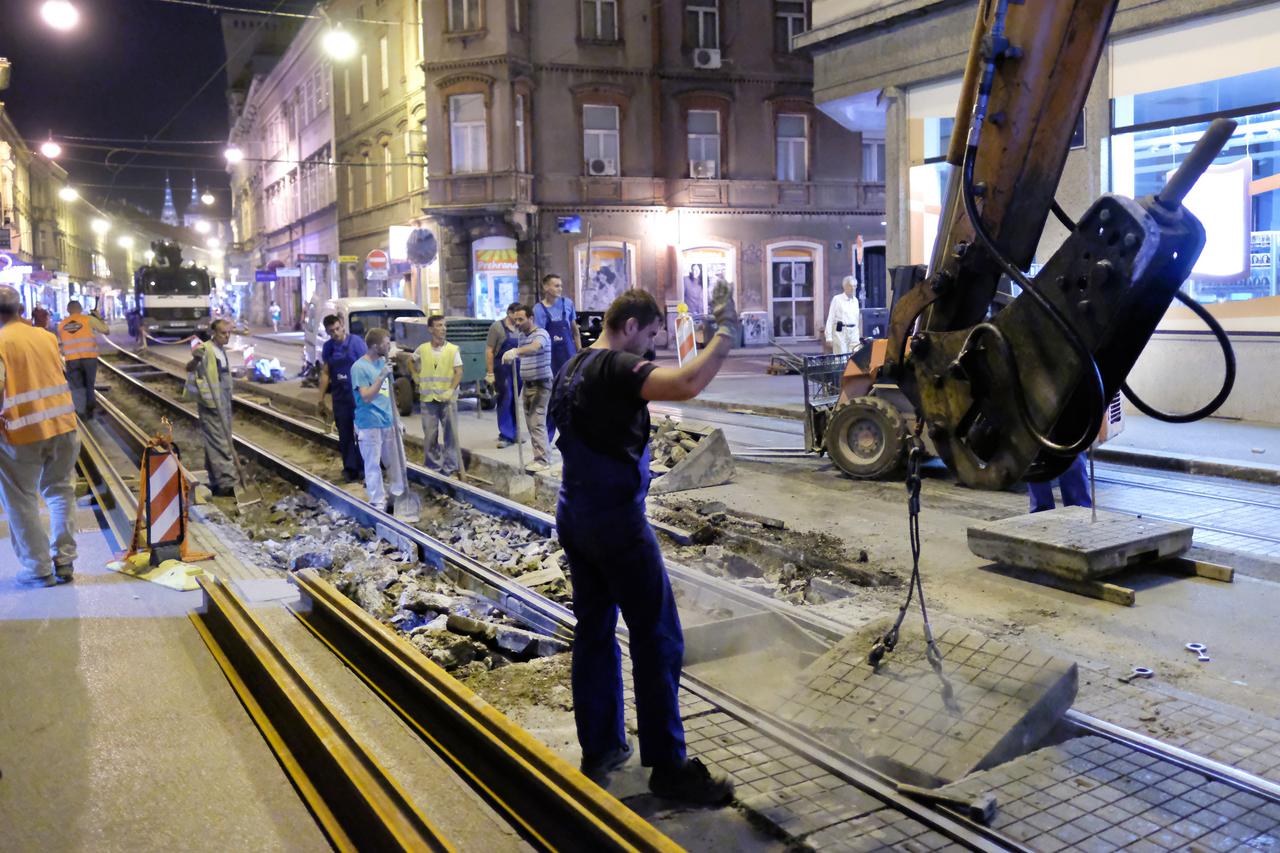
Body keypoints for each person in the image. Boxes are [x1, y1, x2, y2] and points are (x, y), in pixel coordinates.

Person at [550, 284, 739, 804]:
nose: (651, 348)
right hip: (616, 524)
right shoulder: (614, 366)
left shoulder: (572, 366)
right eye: (651, 334)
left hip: (574, 514)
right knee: (657, 637)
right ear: (630, 325)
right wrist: (725, 334)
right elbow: (687, 383)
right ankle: (669, 769)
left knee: (594, 631)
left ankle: (603, 746)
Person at [0, 286, 81, 587]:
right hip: (63, 425)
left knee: (21, 499)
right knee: (60, 491)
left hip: (21, 434)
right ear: (20, 309)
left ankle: (38, 568)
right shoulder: (46, 336)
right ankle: (64, 560)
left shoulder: (1, 342)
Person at [351, 327, 403, 511]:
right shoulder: (359, 368)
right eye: (386, 344)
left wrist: (397, 418)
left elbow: (389, 394)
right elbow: (366, 396)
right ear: (374, 346)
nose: (389, 347)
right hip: (369, 424)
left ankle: (398, 497)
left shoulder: (383, 362)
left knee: (395, 463)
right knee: (373, 465)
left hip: (388, 421)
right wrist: (381, 377)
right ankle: (377, 502)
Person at [186, 318, 238, 498]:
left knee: (218, 439)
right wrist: (195, 359)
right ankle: (227, 484)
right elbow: (190, 367)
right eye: (223, 333)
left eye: (229, 333)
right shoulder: (206, 349)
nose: (227, 336)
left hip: (223, 400)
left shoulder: (221, 350)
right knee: (220, 442)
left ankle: (215, 479)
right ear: (213, 333)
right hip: (211, 402)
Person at [501, 304, 552, 473]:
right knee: (530, 423)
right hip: (528, 384)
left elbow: (536, 347)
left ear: (531, 318)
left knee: (537, 422)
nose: (517, 323)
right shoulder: (522, 335)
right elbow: (524, 353)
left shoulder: (541, 334)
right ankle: (539, 456)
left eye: (521, 319)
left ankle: (543, 460)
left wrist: (516, 351)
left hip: (541, 384)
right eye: (515, 320)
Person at [318, 313, 368, 482]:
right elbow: (325, 372)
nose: (336, 333)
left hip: (359, 397)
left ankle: (365, 468)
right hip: (340, 399)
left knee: (362, 434)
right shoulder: (328, 348)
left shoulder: (357, 343)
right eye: (331, 331)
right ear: (327, 332)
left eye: (337, 329)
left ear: (343, 326)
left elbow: (368, 366)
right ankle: (350, 469)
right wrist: (321, 398)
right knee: (345, 435)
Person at [533, 274, 581, 443]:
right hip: (549, 359)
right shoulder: (538, 310)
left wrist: (580, 352)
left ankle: (572, 437)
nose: (560, 289)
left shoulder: (567, 304)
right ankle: (547, 438)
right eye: (556, 286)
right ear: (546, 288)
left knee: (571, 397)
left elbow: (574, 330)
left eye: (561, 285)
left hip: (569, 357)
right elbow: (538, 336)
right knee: (551, 399)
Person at [413, 314, 463, 478]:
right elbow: (410, 361)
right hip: (428, 399)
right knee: (430, 435)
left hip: (447, 399)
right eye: (439, 326)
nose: (443, 329)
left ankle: (450, 467)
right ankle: (433, 468)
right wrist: (414, 375)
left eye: (444, 325)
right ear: (430, 329)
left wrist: (451, 389)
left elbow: (458, 372)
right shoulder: (423, 349)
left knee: (451, 435)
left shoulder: (452, 350)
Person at [57, 300, 110, 418]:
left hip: (72, 359)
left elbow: (63, 342)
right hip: (89, 358)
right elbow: (106, 330)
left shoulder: (61, 324)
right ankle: (90, 409)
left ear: (68, 310)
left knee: (76, 386)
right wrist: (99, 318)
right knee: (89, 384)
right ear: (80, 309)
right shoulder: (88, 320)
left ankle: (80, 412)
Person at [484, 302, 521, 448]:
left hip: (518, 368)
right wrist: (490, 372)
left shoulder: (520, 328)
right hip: (502, 369)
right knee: (506, 398)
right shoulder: (497, 327)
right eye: (516, 316)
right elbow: (489, 350)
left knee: (514, 400)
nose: (518, 320)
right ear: (509, 313)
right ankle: (505, 435)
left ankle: (514, 432)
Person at [825, 275, 862, 354]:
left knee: (855, 357)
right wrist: (828, 337)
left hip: (853, 333)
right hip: (840, 332)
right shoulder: (837, 299)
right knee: (841, 357)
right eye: (850, 286)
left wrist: (859, 335)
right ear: (844, 286)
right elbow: (830, 318)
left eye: (855, 286)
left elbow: (856, 319)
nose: (853, 288)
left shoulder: (855, 301)